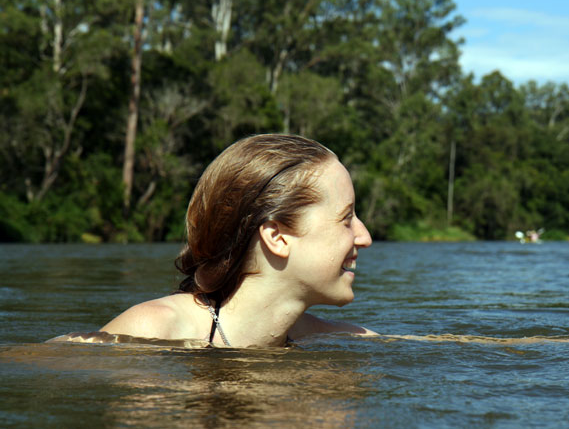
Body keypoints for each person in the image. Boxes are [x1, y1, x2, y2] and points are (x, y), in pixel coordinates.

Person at [99, 134, 375, 347]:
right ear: (277, 237)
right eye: (346, 219)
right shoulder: (154, 330)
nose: (365, 237)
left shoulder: (332, 337)